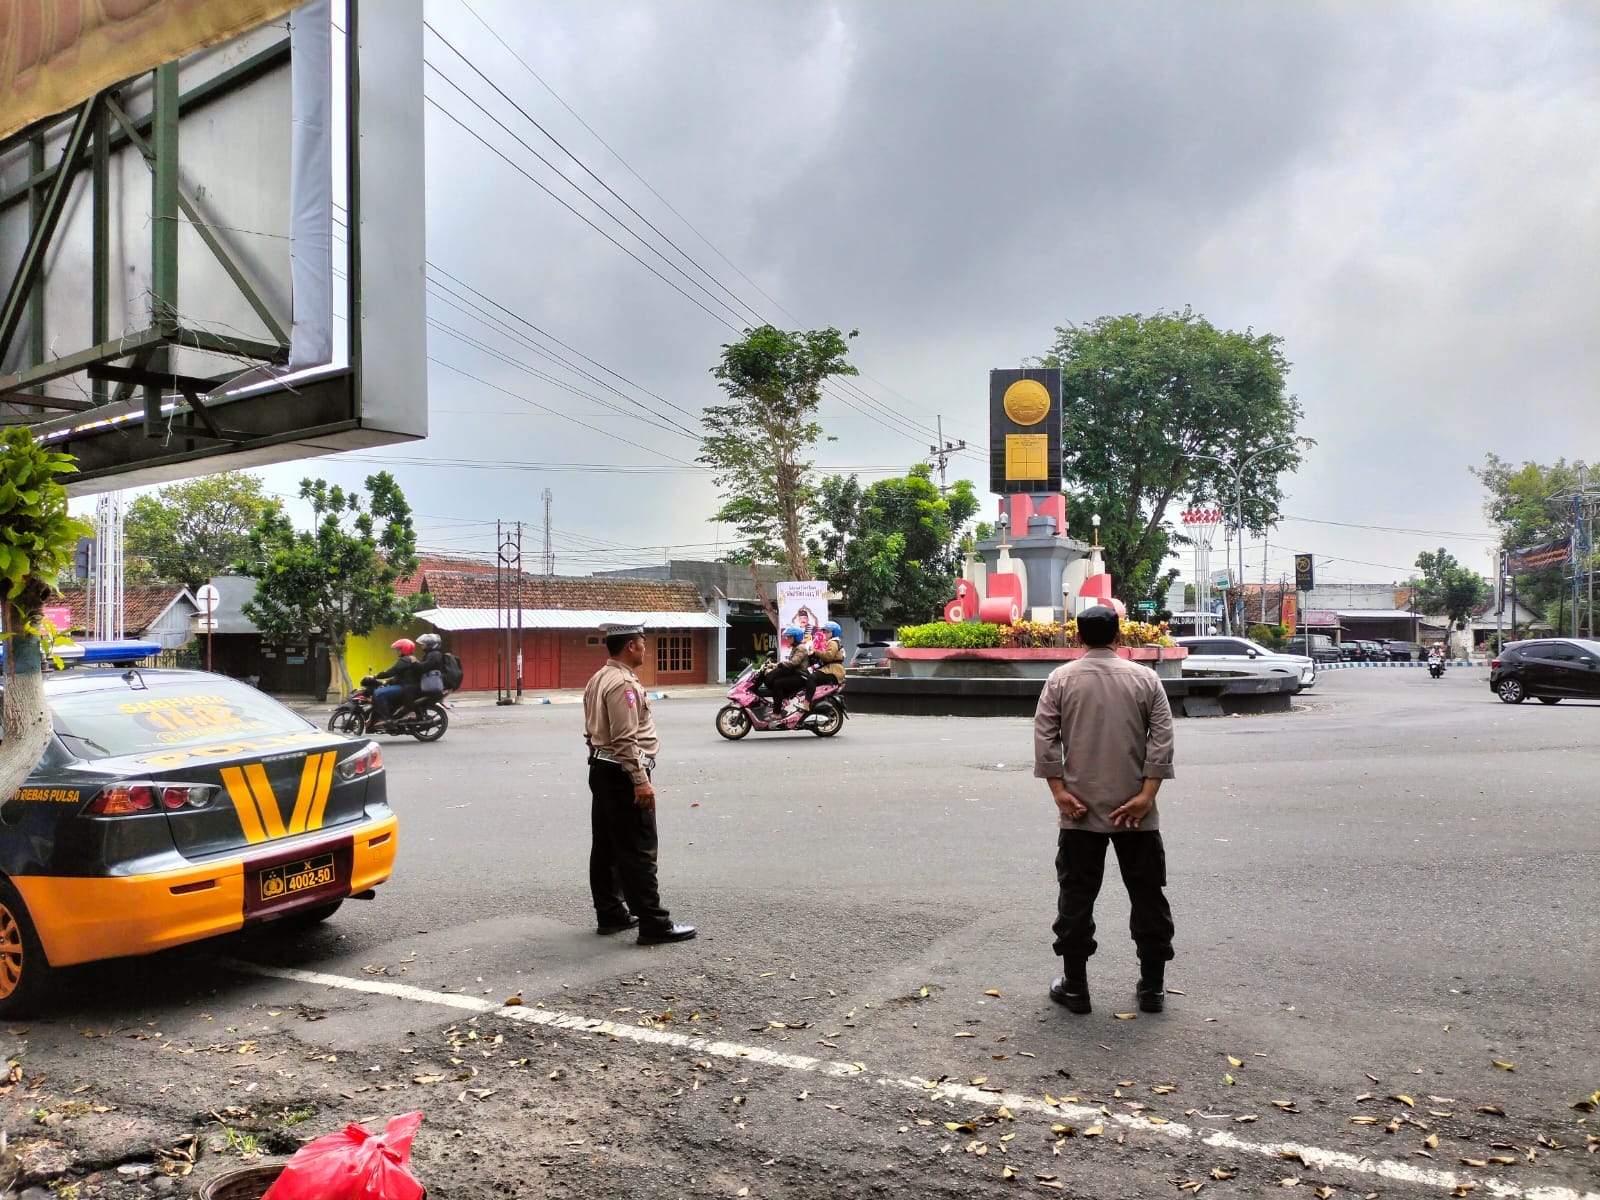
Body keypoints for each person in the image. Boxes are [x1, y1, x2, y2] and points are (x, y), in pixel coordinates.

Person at [1032, 605, 1176, 1014]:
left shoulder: (1060, 679)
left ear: (1079, 638)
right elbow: (1161, 741)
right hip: (1137, 812)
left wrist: (1059, 792)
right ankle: (1152, 988)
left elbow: (1045, 739)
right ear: (1118, 637)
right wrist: (1147, 796)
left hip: (1079, 810)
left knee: (1076, 898)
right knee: (1148, 897)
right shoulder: (1146, 679)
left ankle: (1076, 987)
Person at [583, 623, 696, 945]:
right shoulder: (621, 684)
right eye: (643, 643)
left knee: (606, 847)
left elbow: (591, 732)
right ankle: (654, 923)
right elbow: (624, 738)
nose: (646, 648)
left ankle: (611, 913)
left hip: (603, 768)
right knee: (639, 849)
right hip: (621, 772)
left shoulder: (599, 677)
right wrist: (640, 781)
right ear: (631, 645)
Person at [370, 638, 420, 730]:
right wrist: (388, 682)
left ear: (405, 649)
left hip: (406, 687)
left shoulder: (405, 660)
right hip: (406, 686)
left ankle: (387, 719)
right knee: (384, 689)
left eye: (399, 649)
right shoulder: (408, 659)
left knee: (378, 693)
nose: (397, 652)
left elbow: (392, 671)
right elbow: (401, 675)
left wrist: (375, 676)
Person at [761, 626, 811, 713]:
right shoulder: (796, 647)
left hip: (801, 677)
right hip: (796, 674)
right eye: (787, 637)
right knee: (776, 680)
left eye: (790, 637)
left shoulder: (801, 648)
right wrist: (774, 666)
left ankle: (777, 713)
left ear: (796, 637)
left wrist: (778, 665)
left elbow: (794, 662)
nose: (787, 639)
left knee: (778, 684)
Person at [799, 621, 846, 710]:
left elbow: (828, 656)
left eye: (827, 632)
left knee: (812, 678)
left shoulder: (833, 643)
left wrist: (815, 651)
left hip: (833, 670)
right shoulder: (830, 642)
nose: (825, 634)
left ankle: (806, 703)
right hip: (831, 669)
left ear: (834, 633)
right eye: (824, 632)